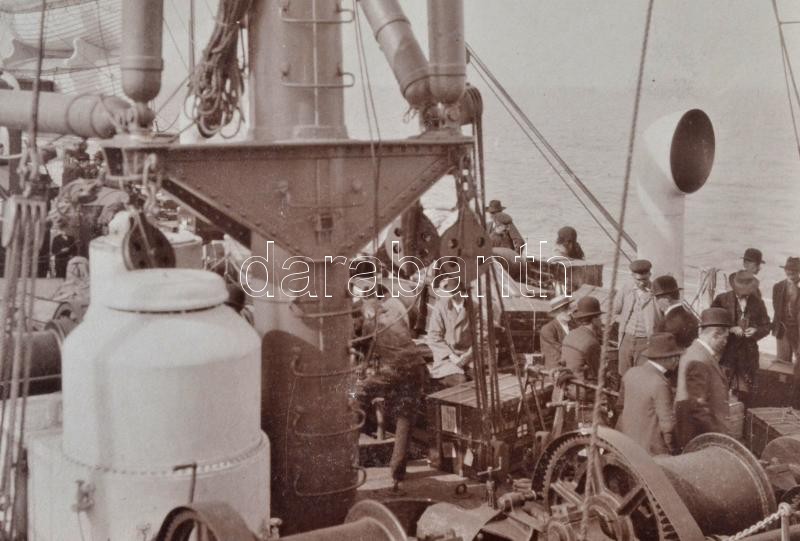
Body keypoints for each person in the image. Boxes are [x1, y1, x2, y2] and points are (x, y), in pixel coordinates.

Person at [355, 286, 426, 490]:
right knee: (405, 418)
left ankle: (349, 462)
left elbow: (364, 350)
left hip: (392, 370)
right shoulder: (394, 310)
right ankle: (397, 473)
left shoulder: (369, 317)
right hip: (416, 367)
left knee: (354, 397)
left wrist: (363, 373)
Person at [674, 308, 732, 449]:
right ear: (715, 334)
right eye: (725, 338)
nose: (726, 342)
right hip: (699, 435)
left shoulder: (695, 351)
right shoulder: (700, 359)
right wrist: (717, 437)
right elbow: (698, 407)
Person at [711, 270, 770, 407]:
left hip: (748, 356)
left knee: (747, 392)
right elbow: (711, 323)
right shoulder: (721, 299)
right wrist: (730, 328)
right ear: (735, 287)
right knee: (720, 388)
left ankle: (742, 415)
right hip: (725, 353)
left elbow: (767, 325)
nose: (745, 293)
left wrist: (756, 331)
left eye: (748, 290)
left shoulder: (758, 302)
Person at [616, 333, 681, 455]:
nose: (677, 360)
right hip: (651, 452)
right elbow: (667, 427)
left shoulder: (630, 373)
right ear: (665, 358)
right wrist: (674, 451)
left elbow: (620, 406)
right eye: (675, 356)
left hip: (627, 445)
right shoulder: (660, 383)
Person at [615, 259, 662, 376]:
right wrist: (622, 294)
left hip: (646, 341)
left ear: (650, 275)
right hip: (626, 338)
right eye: (638, 280)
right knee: (623, 374)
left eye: (644, 280)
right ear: (632, 276)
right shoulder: (626, 288)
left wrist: (651, 295)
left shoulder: (657, 292)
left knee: (642, 375)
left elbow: (663, 316)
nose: (641, 283)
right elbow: (616, 309)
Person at [425, 276, 474, 387]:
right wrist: (452, 357)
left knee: (478, 380)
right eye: (453, 292)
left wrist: (468, 355)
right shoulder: (441, 307)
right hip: (447, 358)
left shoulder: (475, 307)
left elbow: (482, 337)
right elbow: (433, 337)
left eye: (462, 292)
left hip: (470, 356)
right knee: (460, 381)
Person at [560, 296, 603, 382]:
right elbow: (598, 373)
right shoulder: (592, 343)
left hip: (567, 383)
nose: (601, 321)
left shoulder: (570, 335)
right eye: (599, 317)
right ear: (594, 319)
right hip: (583, 386)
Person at [653, 275, 698, 348]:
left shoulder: (665, 324)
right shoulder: (692, 317)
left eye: (657, 298)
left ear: (666, 298)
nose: (656, 302)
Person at [773, 257, 800, 365]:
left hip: (798, 330)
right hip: (782, 330)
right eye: (788, 269)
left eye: (794, 270)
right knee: (782, 364)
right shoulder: (778, 287)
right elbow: (776, 309)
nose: (791, 272)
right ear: (785, 270)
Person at [540, 294, 572, 369]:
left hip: (571, 365)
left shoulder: (573, 326)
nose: (570, 312)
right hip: (555, 369)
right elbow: (557, 350)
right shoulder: (548, 329)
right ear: (557, 311)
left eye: (569, 308)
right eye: (565, 309)